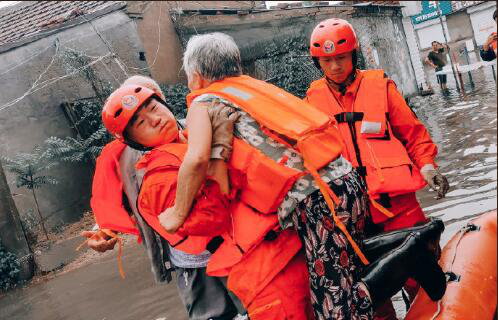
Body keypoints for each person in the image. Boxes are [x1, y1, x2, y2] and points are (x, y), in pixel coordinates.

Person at [158, 32, 446, 320]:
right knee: (350, 261)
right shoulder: (252, 92)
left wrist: (176, 213)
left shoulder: (203, 103)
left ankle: (412, 254)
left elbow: (195, 160)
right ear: (236, 66)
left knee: (337, 308)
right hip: (345, 183)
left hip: (317, 200)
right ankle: (415, 239)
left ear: (195, 74)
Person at [305, 18, 450, 320]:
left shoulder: (380, 86)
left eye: (341, 58)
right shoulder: (310, 100)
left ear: (354, 55)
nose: (335, 66)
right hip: (353, 218)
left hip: (398, 206)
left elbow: (414, 134)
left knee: (422, 283)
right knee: (372, 296)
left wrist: (427, 166)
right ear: (318, 62)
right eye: (327, 60)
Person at [82, 75, 246, 320]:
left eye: (152, 105)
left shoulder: (200, 126)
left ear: (162, 100)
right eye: (138, 120)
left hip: (236, 245)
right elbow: (113, 199)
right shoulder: (124, 159)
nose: (155, 119)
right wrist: (103, 231)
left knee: (259, 308)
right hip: (190, 261)